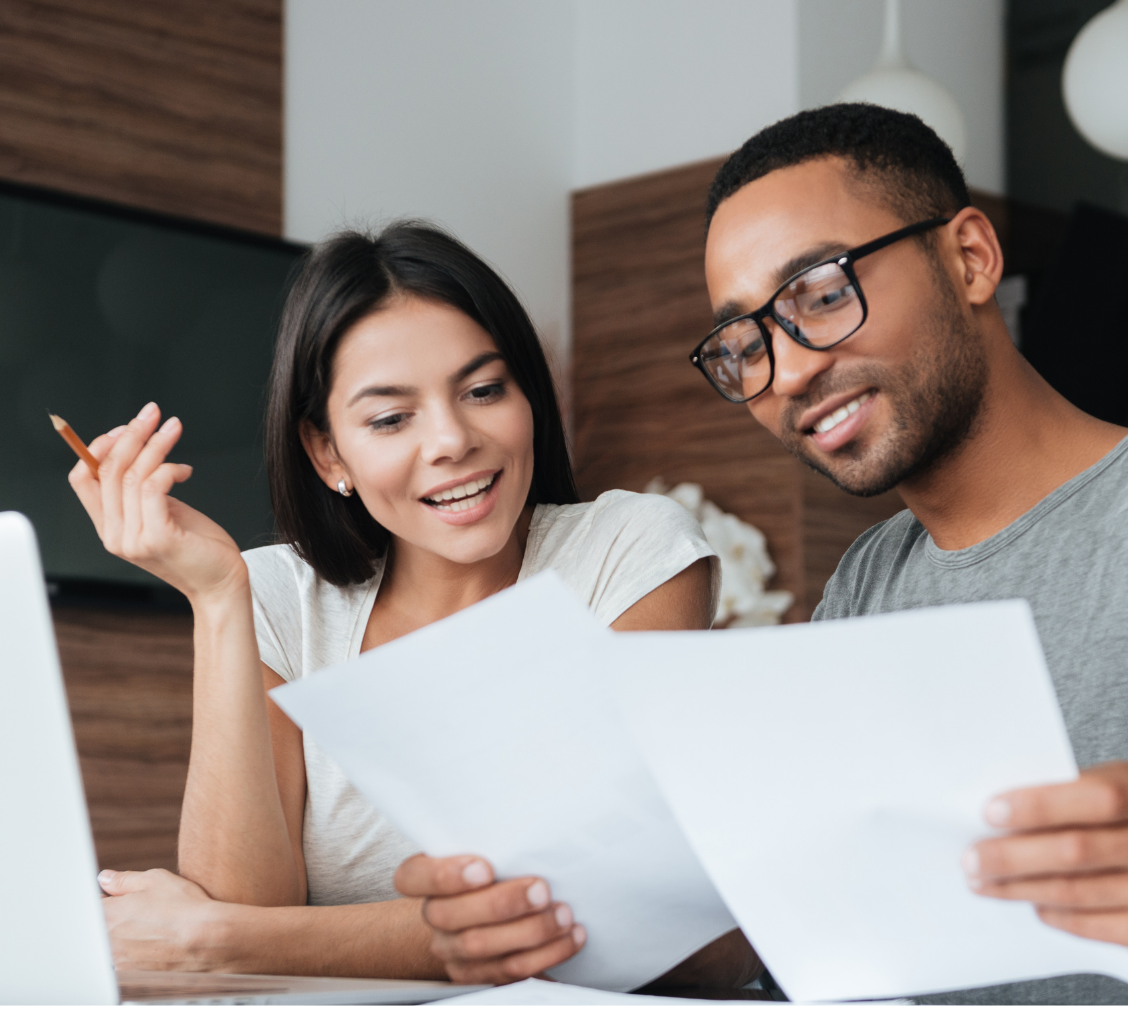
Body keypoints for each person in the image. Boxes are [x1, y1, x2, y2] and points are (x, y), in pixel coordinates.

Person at [408, 104, 1128, 1005]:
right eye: (745, 345)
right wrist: (543, 928)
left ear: (970, 258)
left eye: (822, 294)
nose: (785, 375)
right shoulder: (869, 581)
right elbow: (799, 931)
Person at [67, 222, 749, 985]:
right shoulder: (279, 595)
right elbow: (244, 903)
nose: (452, 439)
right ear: (328, 454)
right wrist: (218, 597)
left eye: (484, 390)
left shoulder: (629, 552)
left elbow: (585, 907)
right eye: (392, 418)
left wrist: (218, 940)